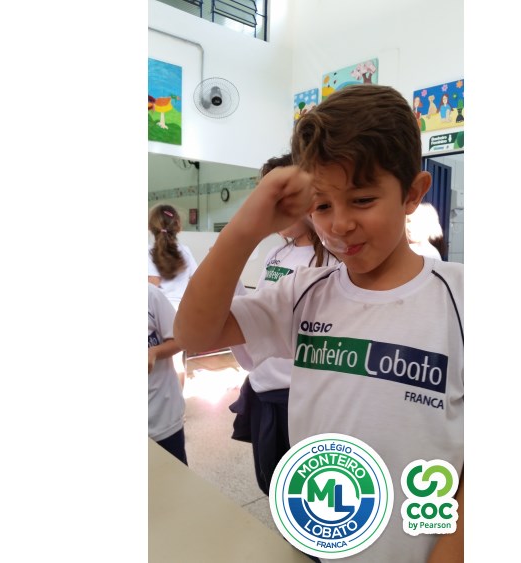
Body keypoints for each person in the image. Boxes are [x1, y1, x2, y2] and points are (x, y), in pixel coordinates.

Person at [174, 84, 463, 563]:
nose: (339, 225)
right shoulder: (304, 292)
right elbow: (193, 334)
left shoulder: (458, 299)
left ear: (412, 194)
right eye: (322, 206)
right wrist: (245, 228)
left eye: (363, 200)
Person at [228, 153, 339, 497]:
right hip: (262, 385)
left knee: (301, 487)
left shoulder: (331, 260)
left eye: (285, 200)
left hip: (297, 391)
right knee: (269, 478)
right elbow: (260, 308)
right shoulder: (276, 254)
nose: (276, 211)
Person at [148, 203, 198, 376]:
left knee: (158, 365)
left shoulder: (148, 253)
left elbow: (151, 287)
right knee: (177, 363)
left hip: (158, 318)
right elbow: (195, 281)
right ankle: (177, 393)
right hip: (180, 314)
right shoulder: (186, 251)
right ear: (178, 226)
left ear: (151, 227)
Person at [148, 283, 187, 465]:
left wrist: (154, 352)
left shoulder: (150, 295)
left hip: (163, 418)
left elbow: (180, 339)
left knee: (175, 478)